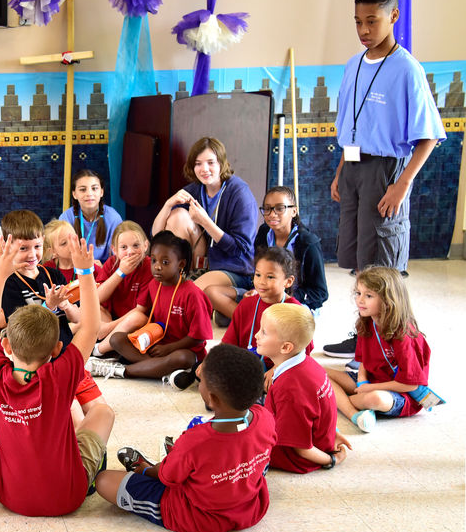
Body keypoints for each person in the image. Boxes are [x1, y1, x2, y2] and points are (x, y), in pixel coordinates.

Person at [325, 0, 445, 358]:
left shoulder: (407, 69)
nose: (363, 30)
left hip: (386, 170)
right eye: (358, 22)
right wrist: (341, 171)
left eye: (372, 21)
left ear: (393, 16)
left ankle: (394, 340)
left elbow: (428, 135)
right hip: (353, 167)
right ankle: (365, 334)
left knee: (383, 264)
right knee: (360, 261)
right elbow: (351, 125)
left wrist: (402, 184)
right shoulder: (353, 65)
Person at [0, 230, 114, 516]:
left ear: (6, 345)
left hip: (9, 496)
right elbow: (91, 327)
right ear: (57, 349)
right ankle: (86, 468)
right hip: (67, 497)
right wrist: (85, 271)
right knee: (103, 412)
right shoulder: (60, 374)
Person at [94, 344, 276, 532]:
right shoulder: (265, 418)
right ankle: (179, 462)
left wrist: (146, 470)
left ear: (212, 399)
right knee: (195, 463)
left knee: (104, 481)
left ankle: (153, 464)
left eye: (201, 380)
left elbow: (166, 477)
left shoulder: (196, 440)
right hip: (250, 508)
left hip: (196, 517)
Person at [0, 210, 104, 413]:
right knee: (70, 414)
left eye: (37, 246)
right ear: (9, 247)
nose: (32, 254)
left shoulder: (53, 275)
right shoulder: (9, 283)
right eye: (23, 248)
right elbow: (21, 330)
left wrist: (65, 306)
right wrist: (49, 307)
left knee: (101, 410)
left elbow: (79, 319)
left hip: (67, 355)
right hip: (39, 366)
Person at [151, 137, 257, 323]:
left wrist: (205, 222)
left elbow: (240, 249)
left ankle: (229, 308)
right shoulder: (195, 190)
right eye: (198, 163)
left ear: (221, 163)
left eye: (210, 162)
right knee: (177, 215)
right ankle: (188, 278)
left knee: (186, 297)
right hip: (203, 263)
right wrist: (168, 204)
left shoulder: (240, 193)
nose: (204, 169)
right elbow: (158, 236)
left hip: (234, 268)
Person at [89, 231, 212, 390]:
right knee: (116, 339)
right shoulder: (154, 285)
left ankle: (121, 371)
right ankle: (161, 370)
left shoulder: (192, 294)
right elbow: (141, 312)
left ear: (181, 264)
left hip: (182, 349)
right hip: (155, 346)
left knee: (183, 358)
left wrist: (169, 348)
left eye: (165, 262)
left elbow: (198, 339)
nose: (157, 266)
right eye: (154, 260)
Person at [324, 267, 433, 433]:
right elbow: (363, 362)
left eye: (368, 296)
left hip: (399, 393)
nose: (360, 300)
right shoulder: (366, 322)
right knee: (319, 372)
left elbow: (410, 385)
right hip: (372, 380)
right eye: (358, 293)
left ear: (388, 301)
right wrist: (362, 381)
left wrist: (368, 389)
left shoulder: (405, 335)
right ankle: (354, 409)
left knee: (375, 398)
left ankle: (344, 404)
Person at [257, 303, 352, 474]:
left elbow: (301, 448)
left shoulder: (289, 388)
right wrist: (332, 435)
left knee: (235, 437)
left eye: (263, 332)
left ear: (286, 347)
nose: (257, 335)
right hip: (318, 440)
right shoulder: (308, 363)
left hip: (295, 457)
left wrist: (331, 460)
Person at [220, 247, 314, 361]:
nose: (261, 282)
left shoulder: (295, 312)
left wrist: (276, 368)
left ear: (288, 281)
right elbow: (228, 344)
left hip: (281, 369)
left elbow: (302, 358)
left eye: (270, 277)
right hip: (244, 366)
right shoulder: (246, 304)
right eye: (258, 275)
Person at [253, 186, 327, 311]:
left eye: (280, 208)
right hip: (267, 294)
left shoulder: (308, 243)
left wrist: (284, 297)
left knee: (274, 319)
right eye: (267, 209)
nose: (272, 214)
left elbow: (320, 292)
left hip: (297, 302)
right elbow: (258, 271)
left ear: (294, 211)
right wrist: (256, 290)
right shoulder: (263, 232)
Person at [92, 220, 152, 356]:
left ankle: (99, 349)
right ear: (115, 250)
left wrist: (108, 327)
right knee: (94, 307)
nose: (130, 252)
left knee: (138, 317)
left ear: (145, 245)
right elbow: (97, 298)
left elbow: (140, 310)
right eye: (124, 247)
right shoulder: (112, 263)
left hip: (133, 323)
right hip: (111, 318)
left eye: (136, 245)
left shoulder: (148, 267)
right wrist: (120, 272)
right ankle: (111, 345)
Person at [59, 168, 123, 263]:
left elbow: (118, 256)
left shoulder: (113, 218)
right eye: (83, 190)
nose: (89, 194)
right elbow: (61, 254)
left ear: (101, 192)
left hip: (104, 269)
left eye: (94, 188)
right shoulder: (66, 218)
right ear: (74, 194)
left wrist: (103, 267)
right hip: (75, 267)